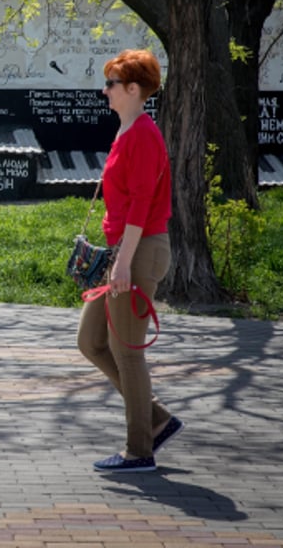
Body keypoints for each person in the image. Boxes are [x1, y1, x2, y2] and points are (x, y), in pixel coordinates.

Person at [78, 48, 182, 473]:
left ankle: (139, 450)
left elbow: (141, 204)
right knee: (91, 340)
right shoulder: (128, 129)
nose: (105, 91)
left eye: (111, 84)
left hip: (137, 251)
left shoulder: (142, 134)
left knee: (127, 353)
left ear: (133, 89)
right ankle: (155, 419)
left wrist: (123, 262)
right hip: (123, 249)